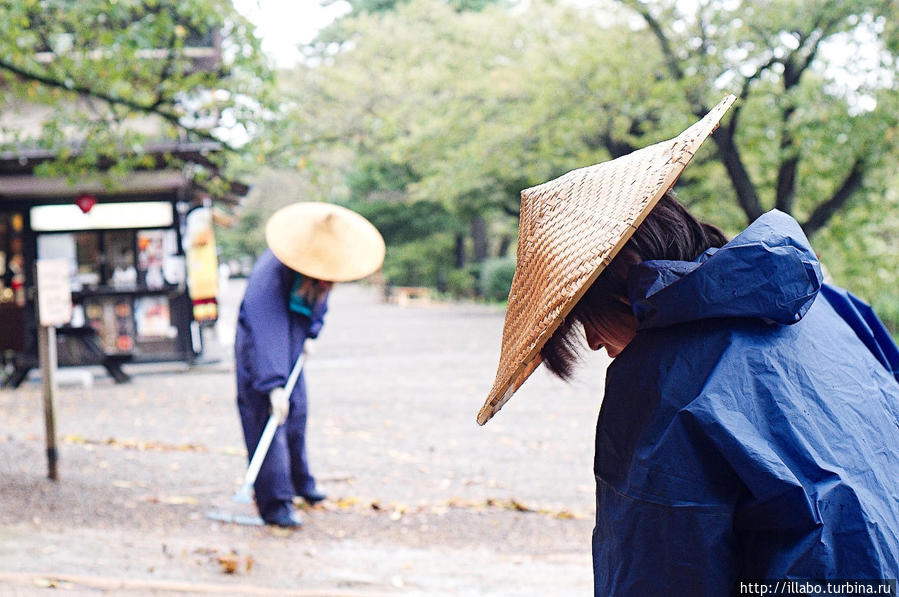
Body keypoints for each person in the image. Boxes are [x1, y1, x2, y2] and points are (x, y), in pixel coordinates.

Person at [477, 95, 899, 593]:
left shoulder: (658, 381)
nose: (592, 342)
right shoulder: (832, 302)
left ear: (627, 276)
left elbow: (655, 569)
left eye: (584, 317)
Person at [236, 202, 385, 528]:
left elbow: (317, 306)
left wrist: (311, 333)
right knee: (269, 416)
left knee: (297, 411)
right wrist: (272, 384)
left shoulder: (320, 265)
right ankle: (275, 503)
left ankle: (300, 481)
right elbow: (265, 328)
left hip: (292, 342)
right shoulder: (271, 273)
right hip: (262, 351)